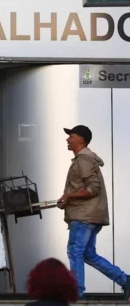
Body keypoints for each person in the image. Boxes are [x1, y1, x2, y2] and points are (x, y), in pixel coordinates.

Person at [57, 125, 130, 300]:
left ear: (81, 139)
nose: (67, 139)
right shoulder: (84, 159)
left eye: (71, 136)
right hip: (90, 215)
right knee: (88, 254)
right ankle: (125, 280)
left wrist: (69, 196)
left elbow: (94, 188)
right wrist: (68, 199)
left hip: (84, 216)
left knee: (75, 251)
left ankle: (76, 293)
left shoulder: (84, 160)